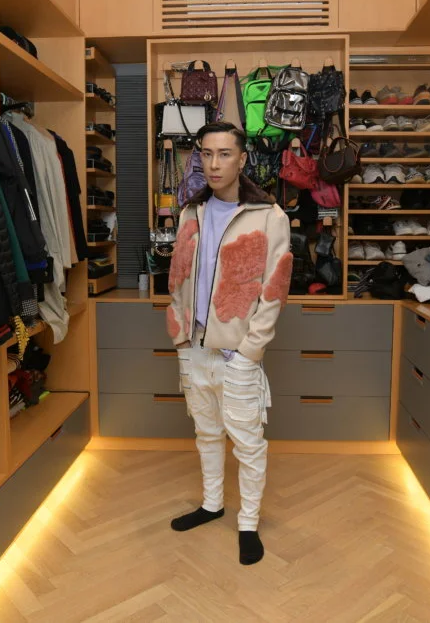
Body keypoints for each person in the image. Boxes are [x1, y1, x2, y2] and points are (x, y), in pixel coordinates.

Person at [165, 121, 293, 565]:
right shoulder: (190, 212)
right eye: (206, 153)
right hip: (195, 347)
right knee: (206, 433)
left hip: (237, 352)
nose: (214, 163)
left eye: (224, 154)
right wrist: (181, 339)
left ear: (242, 159)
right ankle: (212, 504)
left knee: (248, 442)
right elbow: (179, 279)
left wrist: (250, 351)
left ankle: (248, 523)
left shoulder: (269, 216)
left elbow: (274, 291)